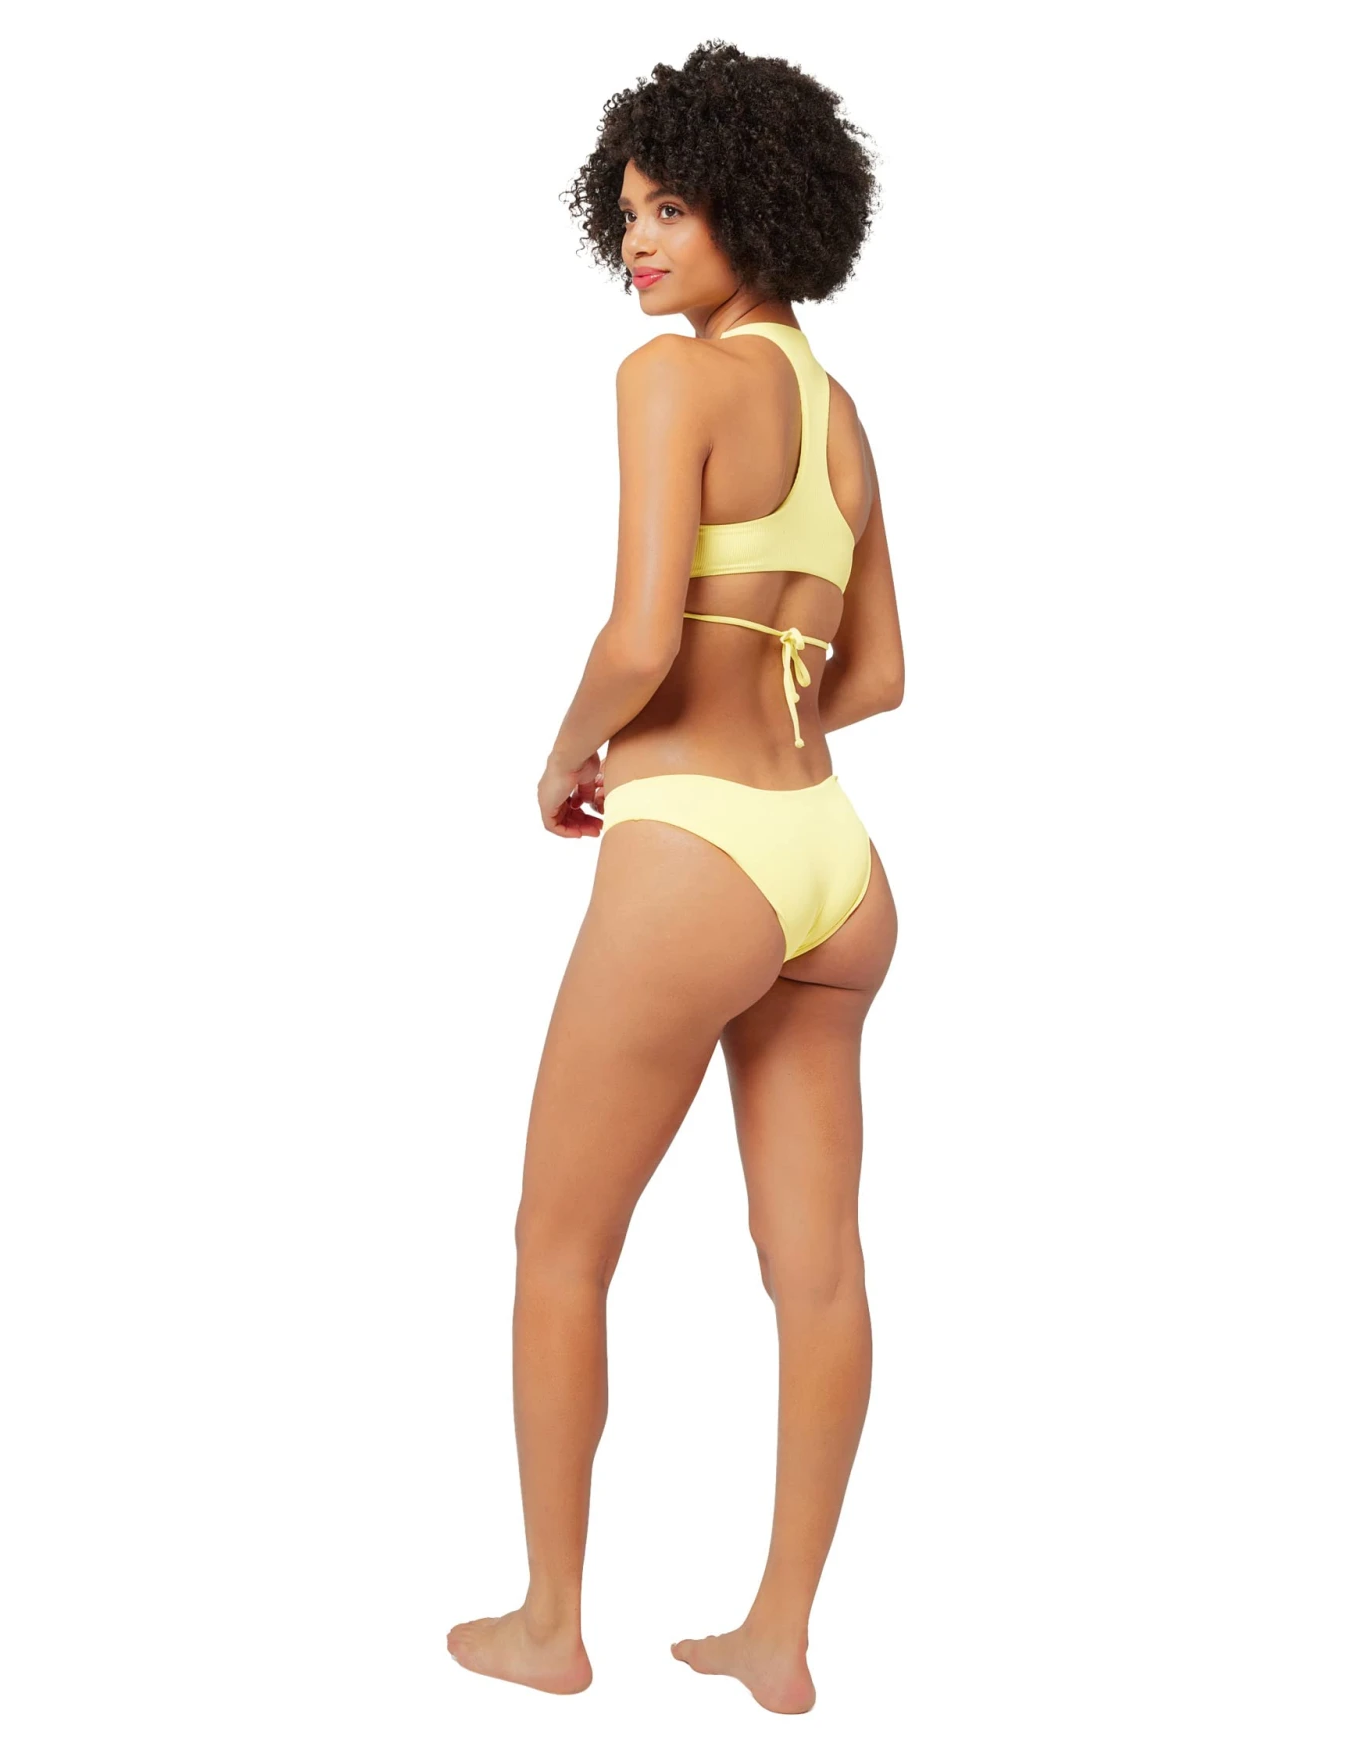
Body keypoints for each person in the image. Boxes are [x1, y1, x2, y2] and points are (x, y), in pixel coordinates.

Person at [448, 41, 905, 1716]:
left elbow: (641, 636)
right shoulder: (839, 418)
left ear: (754, 209)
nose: (637, 243)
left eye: (671, 209)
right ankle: (778, 1635)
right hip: (834, 867)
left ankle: (548, 1620)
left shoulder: (669, 384)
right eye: (628, 212)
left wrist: (572, 754)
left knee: (558, 1241)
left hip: (696, 850)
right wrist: (765, 707)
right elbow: (879, 674)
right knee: (820, 1270)